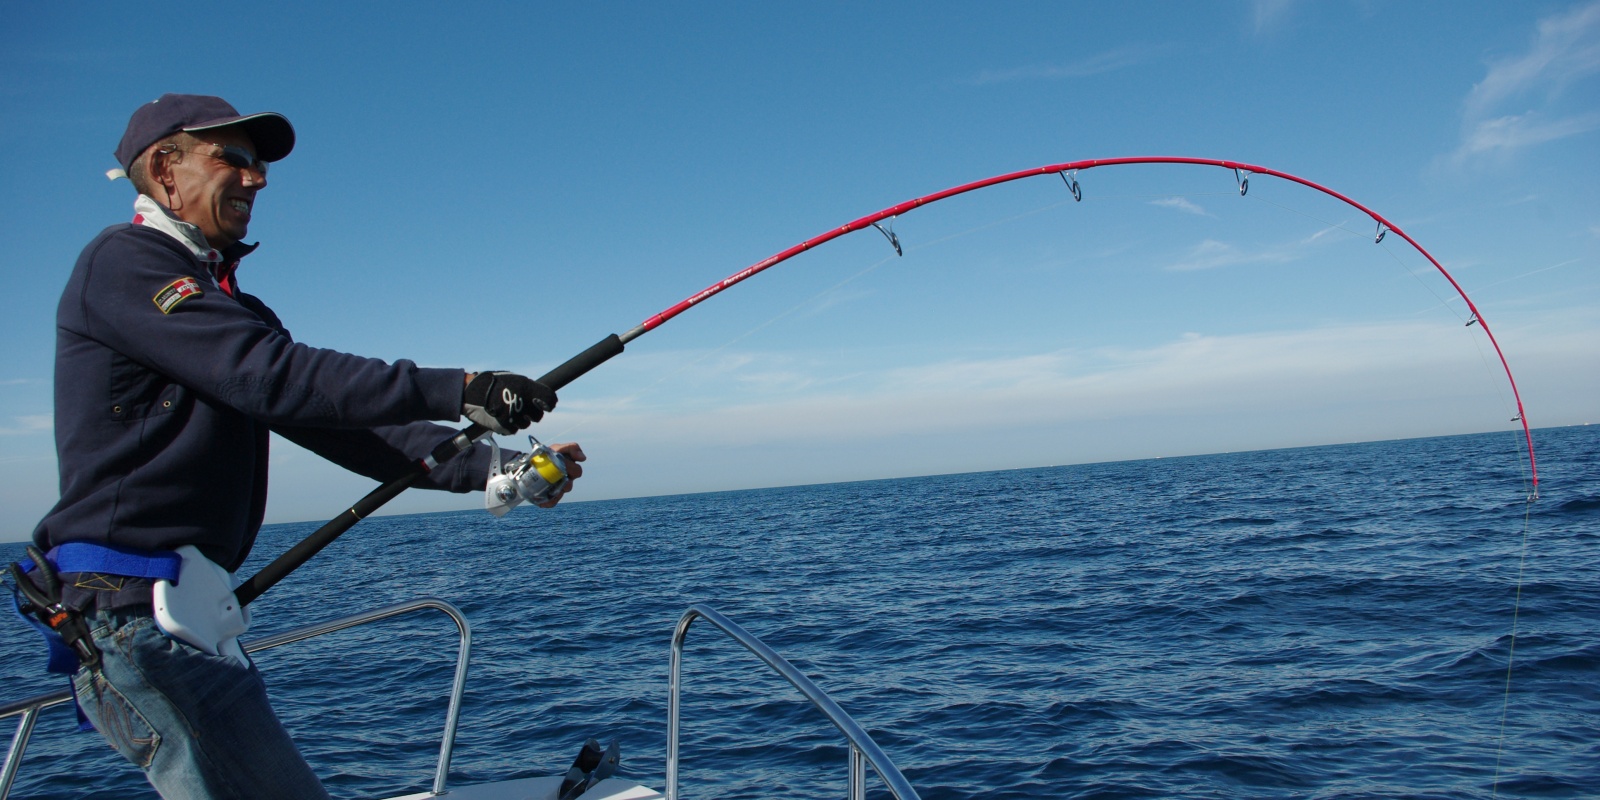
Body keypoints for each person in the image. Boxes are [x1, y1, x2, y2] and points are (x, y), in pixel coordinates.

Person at [14, 93, 585, 798]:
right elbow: (271, 377)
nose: (257, 180)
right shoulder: (124, 263)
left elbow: (341, 424)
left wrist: (501, 467)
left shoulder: (230, 310)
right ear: (165, 168)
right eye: (236, 159)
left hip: (183, 618)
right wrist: (460, 387)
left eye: (259, 166)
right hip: (132, 614)